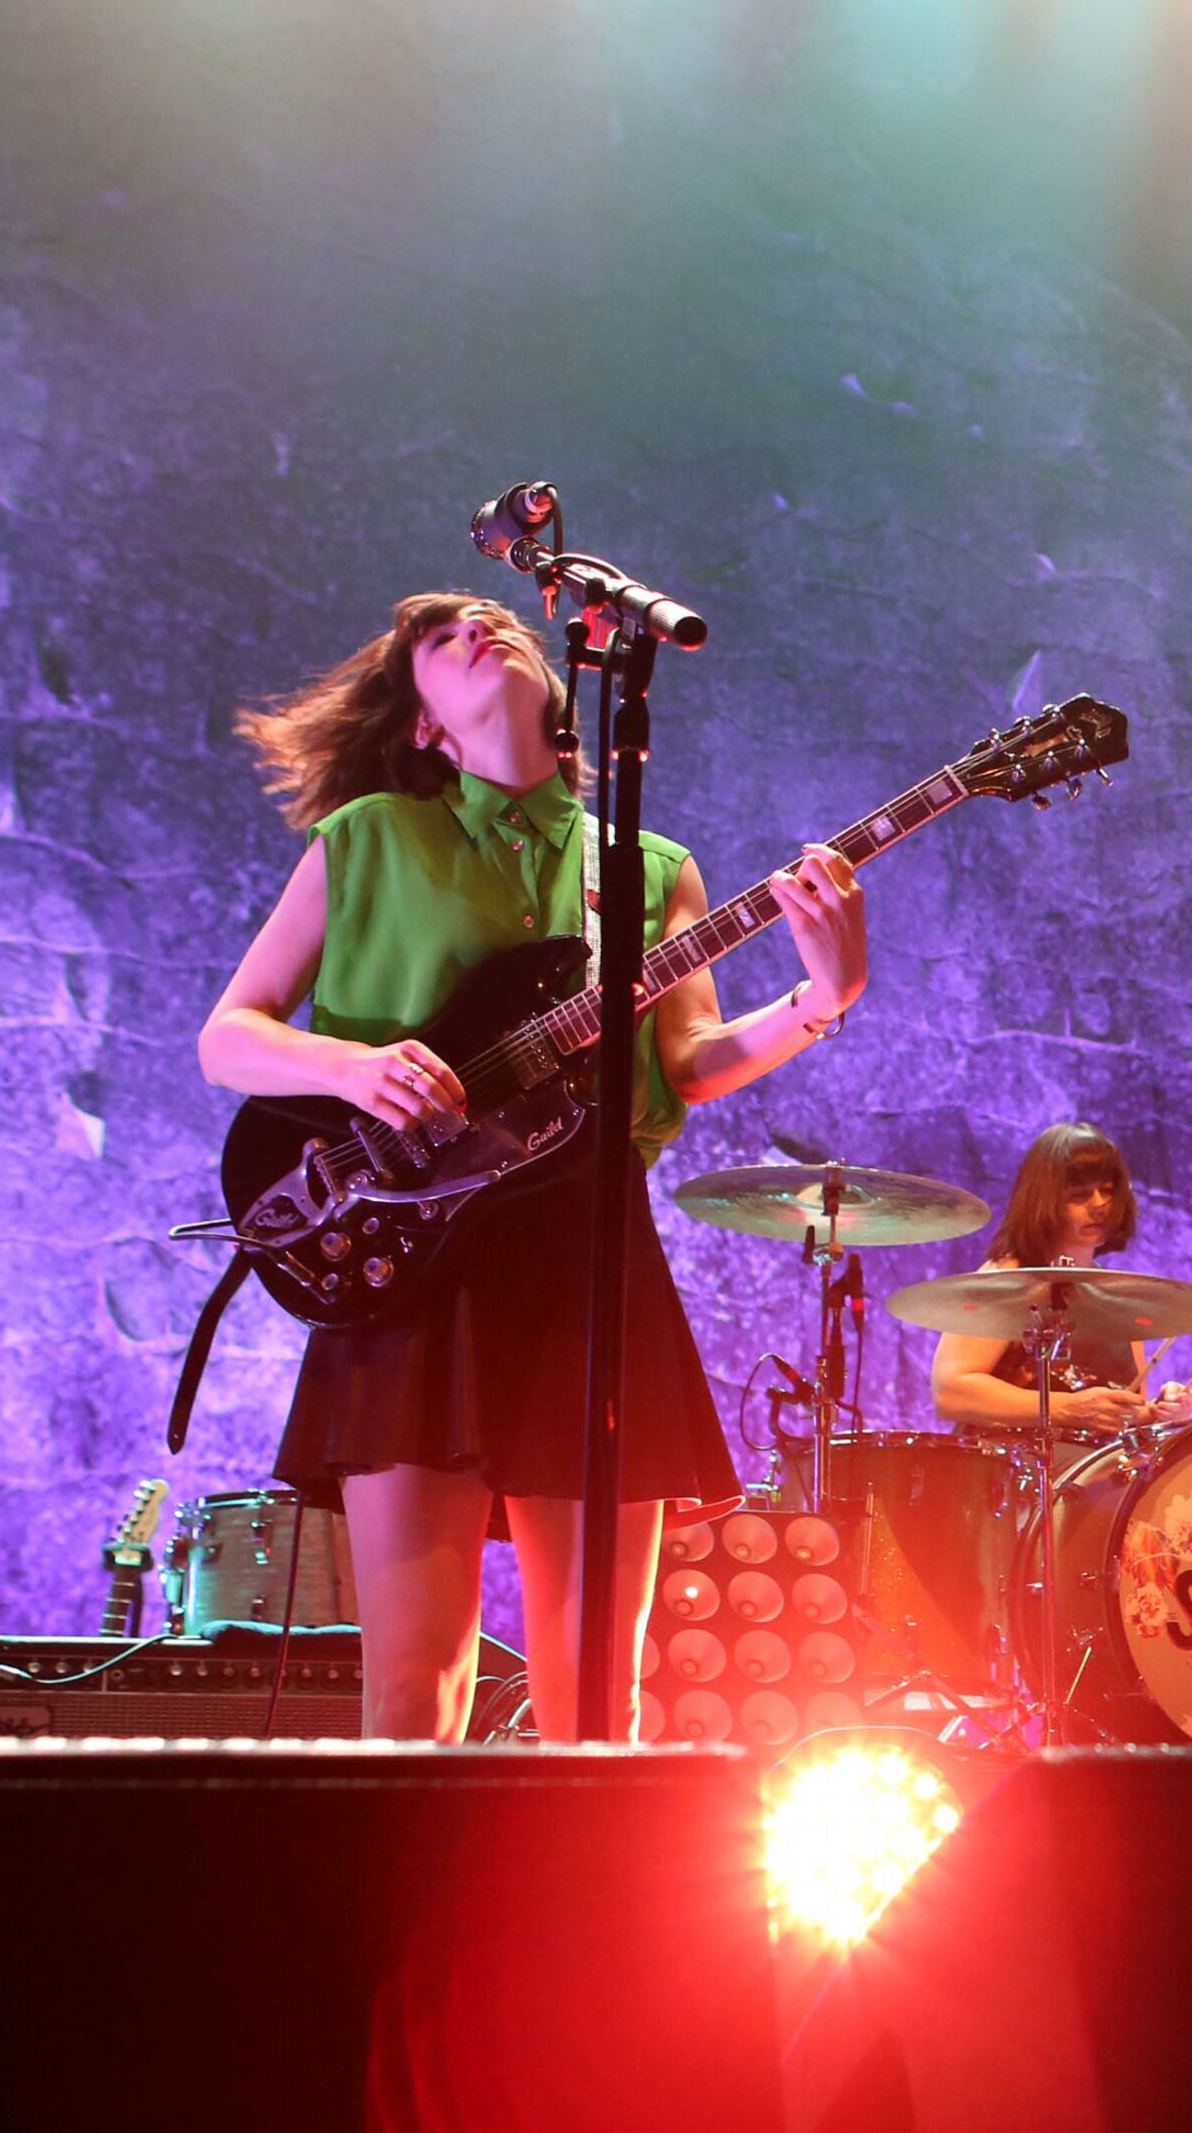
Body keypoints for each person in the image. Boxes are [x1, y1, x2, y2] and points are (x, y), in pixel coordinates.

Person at [199, 592, 869, 1741]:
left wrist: (824, 996)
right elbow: (230, 1036)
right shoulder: (365, 839)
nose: (481, 631)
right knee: (414, 1692)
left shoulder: (650, 870)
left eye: (495, 621)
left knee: (596, 1701)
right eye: (442, 637)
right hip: (415, 1265)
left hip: (584, 1257)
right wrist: (355, 1071)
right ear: (422, 727)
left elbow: (691, 1063)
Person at [929, 1123, 1192, 1441]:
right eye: (1079, 1195)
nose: (1099, 1205)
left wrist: (1157, 1413)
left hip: (1095, 1480)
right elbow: (951, 1392)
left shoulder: (1117, 1293)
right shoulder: (1008, 1278)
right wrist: (1065, 1408)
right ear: (1044, 1201)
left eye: (1108, 1190)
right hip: (1014, 1478)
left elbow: (1122, 1410)